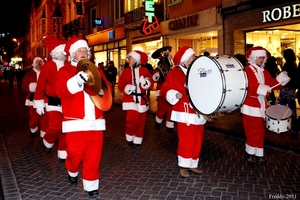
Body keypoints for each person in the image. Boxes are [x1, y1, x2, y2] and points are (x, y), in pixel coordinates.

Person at [55, 37, 111, 198]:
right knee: (75, 154)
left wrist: (100, 89)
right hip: (75, 122)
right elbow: (60, 91)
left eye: (85, 50)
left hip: (96, 122)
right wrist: (77, 80)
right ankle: (71, 170)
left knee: (94, 156)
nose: (83, 53)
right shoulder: (65, 71)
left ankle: (91, 185)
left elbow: (105, 89)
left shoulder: (97, 70)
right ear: (72, 54)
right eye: (79, 50)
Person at [160, 46, 206, 178]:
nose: (195, 58)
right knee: (187, 140)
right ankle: (183, 166)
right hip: (184, 112)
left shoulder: (196, 71)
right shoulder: (175, 73)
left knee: (197, 139)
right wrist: (175, 94)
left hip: (198, 111)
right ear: (186, 60)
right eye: (192, 57)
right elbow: (165, 89)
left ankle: (193, 164)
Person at [241, 46, 290, 166]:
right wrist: (263, 89)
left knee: (260, 131)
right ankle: (250, 155)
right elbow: (249, 85)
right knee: (253, 131)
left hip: (261, 105)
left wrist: (280, 80)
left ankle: (257, 155)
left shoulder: (264, 72)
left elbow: (271, 84)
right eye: (259, 58)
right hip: (250, 106)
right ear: (253, 58)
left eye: (263, 58)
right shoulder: (247, 70)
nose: (262, 60)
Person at [33, 35, 68, 159]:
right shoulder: (47, 67)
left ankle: (63, 152)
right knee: (55, 126)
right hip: (51, 101)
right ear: (55, 52)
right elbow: (40, 85)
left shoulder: (68, 66)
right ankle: (47, 143)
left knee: (66, 128)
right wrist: (39, 102)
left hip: (66, 101)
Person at [118, 50, 153, 149]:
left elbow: (150, 83)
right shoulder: (126, 71)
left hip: (142, 99)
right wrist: (128, 87)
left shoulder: (144, 71)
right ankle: (130, 137)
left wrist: (145, 82)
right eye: (129, 59)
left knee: (141, 121)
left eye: (130, 59)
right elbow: (121, 84)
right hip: (130, 99)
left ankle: (138, 140)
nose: (128, 61)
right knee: (131, 120)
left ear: (136, 60)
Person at [21, 56, 48, 138]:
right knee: (34, 117)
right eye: (37, 62)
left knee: (44, 118)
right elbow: (24, 85)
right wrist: (34, 86)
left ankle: (44, 134)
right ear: (34, 63)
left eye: (41, 61)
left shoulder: (46, 73)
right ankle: (33, 128)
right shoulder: (29, 74)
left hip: (44, 98)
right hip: (33, 98)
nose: (39, 63)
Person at [151, 46, 175, 134]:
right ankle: (158, 121)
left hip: (171, 91)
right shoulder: (158, 69)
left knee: (171, 109)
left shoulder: (171, 68)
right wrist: (157, 76)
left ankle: (169, 126)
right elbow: (153, 78)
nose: (166, 56)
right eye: (164, 54)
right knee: (162, 109)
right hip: (161, 92)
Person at [278, 48, 299, 137]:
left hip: (286, 87)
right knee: (291, 106)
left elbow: (285, 76)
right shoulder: (294, 64)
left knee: (282, 105)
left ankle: (284, 124)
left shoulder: (288, 64)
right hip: (291, 88)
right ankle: (293, 123)